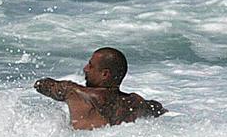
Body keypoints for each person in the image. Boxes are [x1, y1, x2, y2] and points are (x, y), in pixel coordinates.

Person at [34, 47, 166, 130]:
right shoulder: (136, 103)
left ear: (105, 74)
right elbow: (157, 108)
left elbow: (41, 85)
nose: (85, 69)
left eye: (90, 66)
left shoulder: (75, 93)